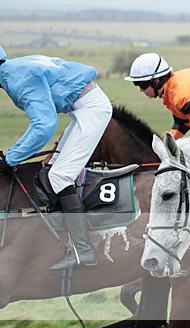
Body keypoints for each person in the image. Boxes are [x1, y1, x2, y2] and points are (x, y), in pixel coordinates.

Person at [0, 45, 112, 270]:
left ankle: (83, 250)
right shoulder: (15, 67)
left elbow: (44, 126)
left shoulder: (16, 80)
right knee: (50, 169)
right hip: (83, 107)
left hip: (90, 109)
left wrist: (10, 159)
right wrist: (12, 156)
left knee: (60, 176)